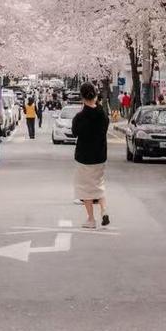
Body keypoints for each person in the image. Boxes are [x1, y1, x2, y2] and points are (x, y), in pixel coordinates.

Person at [70, 81, 111, 229]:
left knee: (85, 188)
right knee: (98, 185)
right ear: (95, 96)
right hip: (100, 156)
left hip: (84, 158)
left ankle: (91, 219)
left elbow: (75, 132)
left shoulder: (80, 117)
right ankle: (104, 210)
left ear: (82, 97)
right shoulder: (103, 115)